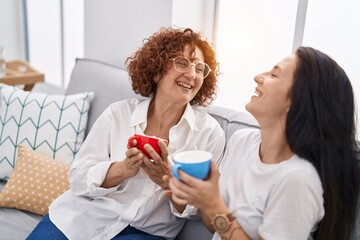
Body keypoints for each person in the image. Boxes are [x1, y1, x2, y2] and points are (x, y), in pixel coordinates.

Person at [27, 27, 225, 240]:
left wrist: (167, 179)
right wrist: (122, 169)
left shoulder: (209, 133)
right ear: (157, 70)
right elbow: (78, 178)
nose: (191, 74)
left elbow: (200, 208)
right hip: (82, 217)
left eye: (199, 68)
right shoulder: (117, 114)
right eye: (182, 63)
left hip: (145, 232)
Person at [167, 46, 360, 240]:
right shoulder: (241, 141)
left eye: (274, 75)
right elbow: (214, 227)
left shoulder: (298, 180)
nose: (258, 77)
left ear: (296, 101)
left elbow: (218, 215)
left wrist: (214, 204)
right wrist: (203, 198)